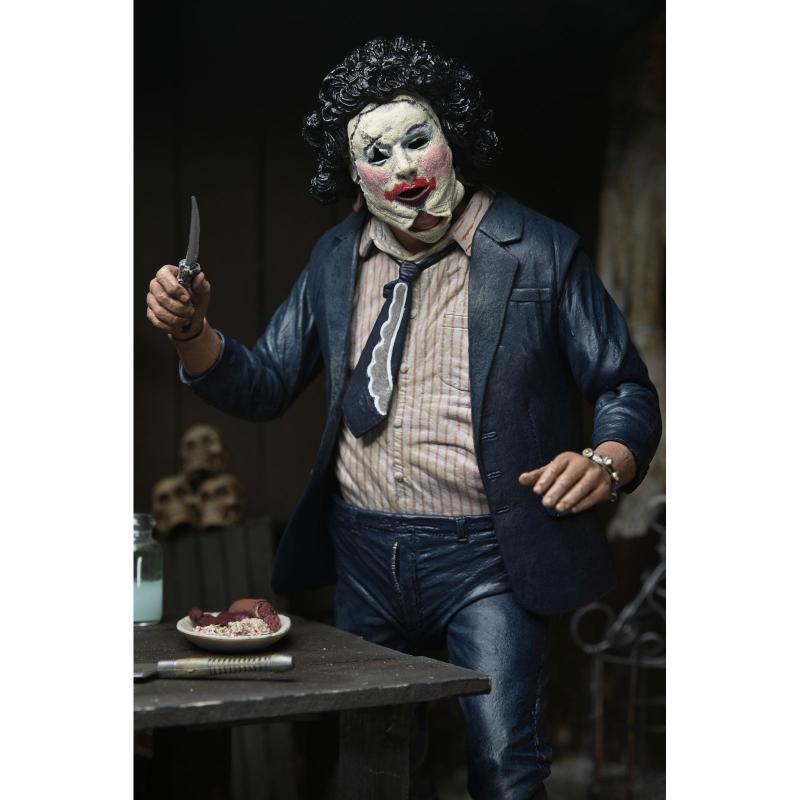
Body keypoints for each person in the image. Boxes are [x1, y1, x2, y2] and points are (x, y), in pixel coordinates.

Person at [145, 35, 661, 800]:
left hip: (490, 559)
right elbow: (265, 384)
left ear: (454, 137)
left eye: (419, 140)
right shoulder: (335, 258)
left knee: (505, 763)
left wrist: (609, 458)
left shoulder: (541, 253)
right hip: (365, 556)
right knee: (370, 766)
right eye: (377, 155)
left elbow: (624, 385)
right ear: (353, 175)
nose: (405, 169)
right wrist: (192, 333)